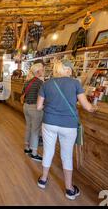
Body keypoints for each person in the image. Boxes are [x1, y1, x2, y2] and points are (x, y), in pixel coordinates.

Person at [36, 59, 95, 200]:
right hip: (68, 125)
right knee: (66, 155)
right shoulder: (75, 83)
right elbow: (87, 107)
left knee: (48, 151)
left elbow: (38, 107)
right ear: (67, 70)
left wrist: (51, 109)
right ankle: (69, 189)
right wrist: (95, 108)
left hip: (49, 123)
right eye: (71, 70)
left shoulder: (46, 84)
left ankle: (43, 180)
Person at [21, 62, 44, 162]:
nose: (43, 71)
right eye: (42, 70)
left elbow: (23, 94)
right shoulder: (40, 83)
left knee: (29, 127)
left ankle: (27, 148)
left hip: (26, 106)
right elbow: (43, 97)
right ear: (38, 71)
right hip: (35, 108)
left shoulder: (27, 82)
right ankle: (34, 153)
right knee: (35, 130)